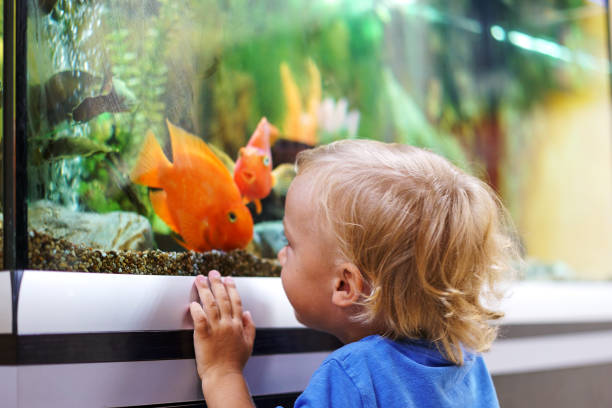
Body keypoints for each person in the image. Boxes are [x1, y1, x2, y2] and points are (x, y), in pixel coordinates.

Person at [189, 140, 521, 407]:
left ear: (345, 285)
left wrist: (223, 373)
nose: (279, 255)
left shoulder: (354, 377)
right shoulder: (468, 365)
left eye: (289, 243)